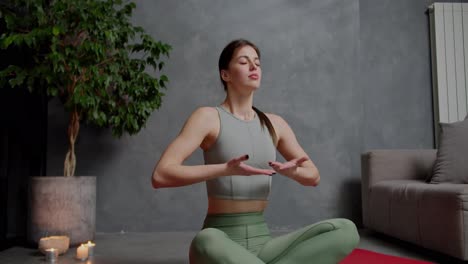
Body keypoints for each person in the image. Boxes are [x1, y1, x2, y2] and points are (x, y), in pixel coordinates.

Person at [152, 39, 359, 264]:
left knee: (346, 230)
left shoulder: (275, 123)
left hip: (264, 245)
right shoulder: (207, 117)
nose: (253, 67)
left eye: (257, 63)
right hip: (220, 242)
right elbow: (161, 175)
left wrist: (293, 173)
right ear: (225, 75)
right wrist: (224, 169)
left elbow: (313, 176)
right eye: (244, 61)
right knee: (205, 240)